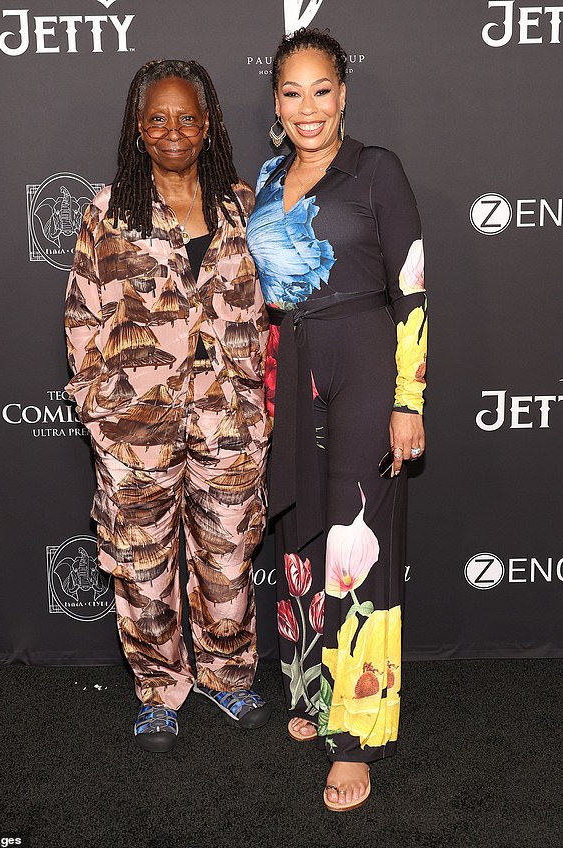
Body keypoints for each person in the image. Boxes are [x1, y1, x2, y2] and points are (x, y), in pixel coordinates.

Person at [64, 59, 271, 752]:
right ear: (138, 127)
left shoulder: (245, 205)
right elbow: (81, 320)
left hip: (230, 425)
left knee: (229, 559)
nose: (173, 130)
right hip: (134, 434)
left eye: (187, 117)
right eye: (157, 118)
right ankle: (159, 689)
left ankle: (227, 675)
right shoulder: (107, 211)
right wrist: (101, 408)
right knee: (142, 566)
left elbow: (276, 313)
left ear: (208, 125)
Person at [246, 29, 427, 810]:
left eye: (322, 90)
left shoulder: (377, 169)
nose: (308, 107)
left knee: (354, 540)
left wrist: (408, 400)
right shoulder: (266, 175)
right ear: (276, 101)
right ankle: (308, 688)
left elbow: (412, 289)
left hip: (363, 358)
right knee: (299, 533)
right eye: (292, 92)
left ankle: (354, 736)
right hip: (287, 367)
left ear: (344, 93)